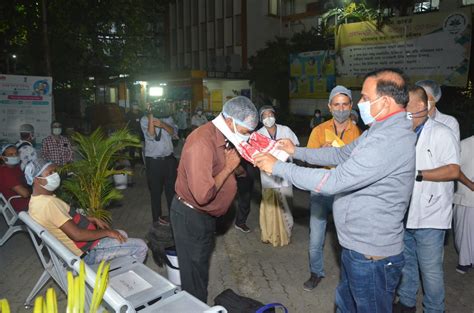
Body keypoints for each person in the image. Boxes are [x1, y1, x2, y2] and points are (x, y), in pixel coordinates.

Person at [254, 68, 416, 312]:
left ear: (384, 101)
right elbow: (340, 154)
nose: (358, 103)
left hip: (371, 256)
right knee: (344, 304)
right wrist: (295, 151)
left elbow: (332, 180)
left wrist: (278, 167)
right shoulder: (378, 132)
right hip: (357, 249)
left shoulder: (388, 140)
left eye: (364, 97)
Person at [171, 96, 258, 302]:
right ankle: (195, 306)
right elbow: (202, 195)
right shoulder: (202, 142)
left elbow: (225, 168)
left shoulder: (223, 135)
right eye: (246, 132)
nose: (247, 137)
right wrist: (229, 167)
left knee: (200, 268)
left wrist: (235, 166)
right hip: (191, 217)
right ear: (230, 122)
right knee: (194, 279)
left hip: (205, 217)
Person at [393, 86, 460, 313]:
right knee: (407, 265)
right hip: (404, 213)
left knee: (430, 271)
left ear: (421, 106)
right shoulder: (403, 132)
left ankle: (433, 309)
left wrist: (420, 174)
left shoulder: (442, 132)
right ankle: (406, 303)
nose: (402, 108)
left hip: (431, 214)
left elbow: (453, 170)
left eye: (406, 104)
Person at [25, 158, 148, 265]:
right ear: (38, 180)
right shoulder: (48, 204)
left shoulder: (36, 202)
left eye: (54, 171)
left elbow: (61, 220)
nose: (55, 175)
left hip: (81, 248)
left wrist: (91, 219)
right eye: (50, 173)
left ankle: (114, 269)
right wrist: (107, 232)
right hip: (87, 253)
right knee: (141, 246)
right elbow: (77, 235)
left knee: (121, 234)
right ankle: (120, 282)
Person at [304, 86, 361, 291]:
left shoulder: (357, 132)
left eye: (345, 104)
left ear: (351, 106)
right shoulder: (319, 131)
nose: (341, 108)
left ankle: (348, 277)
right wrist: (321, 153)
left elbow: (360, 164)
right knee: (316, 237)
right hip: (320, 188)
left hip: (344, 190)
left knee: (346, 237)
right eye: (336, 104)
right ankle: (315, 272)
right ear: (329, 106)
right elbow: (308, 161)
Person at [256, 105, 299, 247]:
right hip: (268, 176)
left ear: (274, 115)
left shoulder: (285, 130)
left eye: (270, 115)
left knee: (286, 204)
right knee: (271, 207)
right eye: (265, 116)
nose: (268, 118)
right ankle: (271, 234)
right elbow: (255, 155)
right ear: (261, 119)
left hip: (285, 172)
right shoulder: (259, 135)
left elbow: (295, 147)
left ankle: (286, 233)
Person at [140, 105, 178, 226]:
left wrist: (162, 124)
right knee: (155, 193)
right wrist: (151, 116)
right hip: (154, 161)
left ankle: (173, 219)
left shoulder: (168, 118)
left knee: (171, 192)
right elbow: (151, 135)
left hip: (169, 160)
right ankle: (156, 221)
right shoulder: (144, 119)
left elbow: (173, 133)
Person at [453, 135, 474, 274]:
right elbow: (453, 169)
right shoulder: (466, 144)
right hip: (467, 198)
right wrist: (470, 184)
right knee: (463, 234)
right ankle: (465, 262)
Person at [0, 144, 30, 212]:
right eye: (10, 154)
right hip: (21, 206)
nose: (14, 156)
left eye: (16, 154)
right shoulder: (5, 172)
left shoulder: (15, 167)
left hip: (25, 201)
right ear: (3, 157)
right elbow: (25, 194)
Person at [234, 159, 256, 233]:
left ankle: (240, 222)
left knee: (246, 195)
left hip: (247, 163)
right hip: (231, 161)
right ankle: (218, 223)